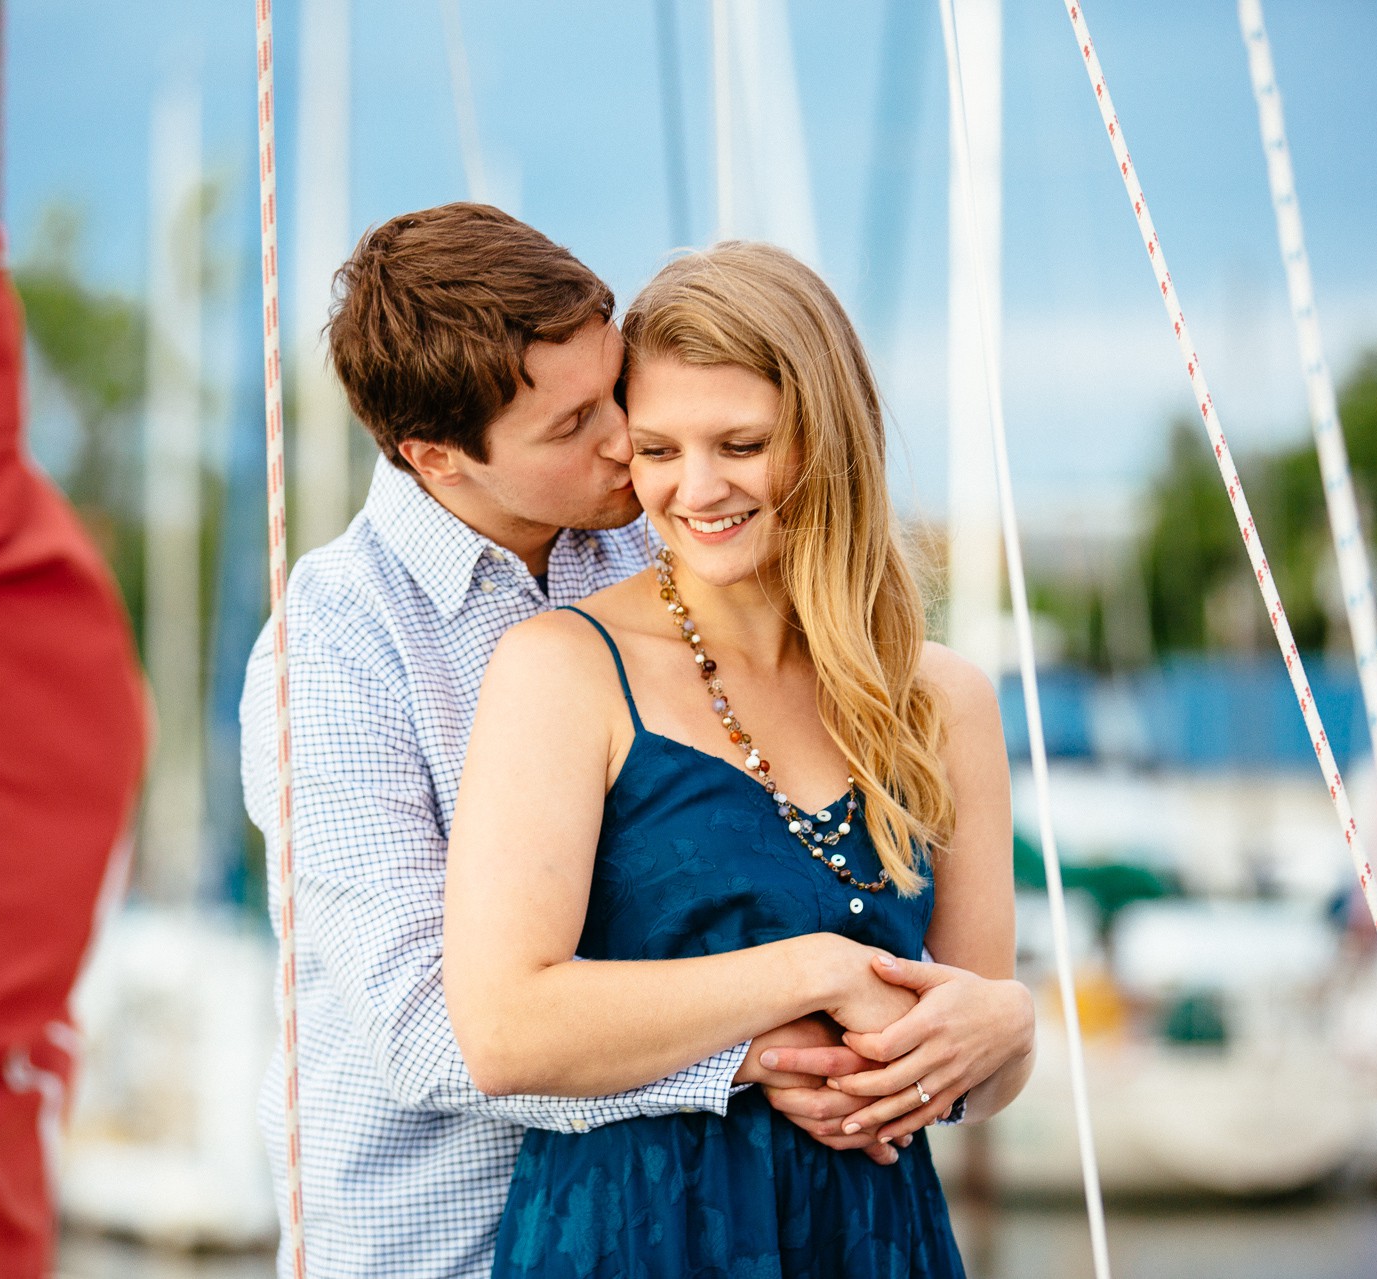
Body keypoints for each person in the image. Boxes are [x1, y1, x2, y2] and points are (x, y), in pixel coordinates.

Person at [240, 204, 1004, 1279]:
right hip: (437, 1241)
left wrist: (997, 1020)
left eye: (617, 393)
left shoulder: (654, 534)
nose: (625, 445)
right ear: (439, 459)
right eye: (574, 427)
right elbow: (430, 1028)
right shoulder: (336, 649)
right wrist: (757, 1049)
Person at [442, 241, 1035, 1278]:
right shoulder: (561, 669)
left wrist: (1011, 1029)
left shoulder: (944, 701)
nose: (696, 487)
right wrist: (809, 970)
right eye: (659, 449)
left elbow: (970, 1068)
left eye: (742, 442)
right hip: (634, 1236)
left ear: (827, 432)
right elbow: (503, 1027)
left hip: (876, 1240)